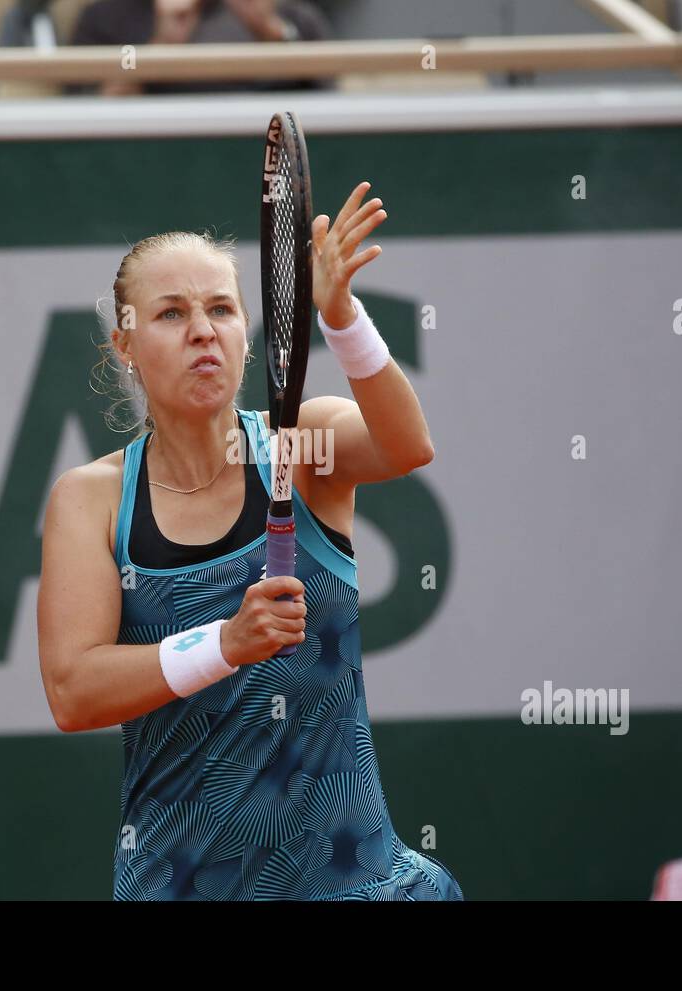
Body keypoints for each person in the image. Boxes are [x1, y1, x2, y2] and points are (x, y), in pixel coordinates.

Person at [37, 181, 463, 900]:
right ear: (127, 343)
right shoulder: (92, 499)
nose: (203, 330)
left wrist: (342, 315)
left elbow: (407, 445)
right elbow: (73, 692)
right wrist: (226, 644)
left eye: (221, 309)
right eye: (171, 313)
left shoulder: (307, 443)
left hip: (360, 886)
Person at [67, 0, 333, 96]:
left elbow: (329, 95)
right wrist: (158, 49)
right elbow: (87, 109)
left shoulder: (290, 14)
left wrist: (273, 33)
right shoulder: (106, 16)